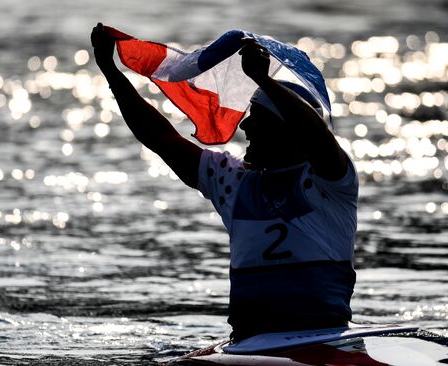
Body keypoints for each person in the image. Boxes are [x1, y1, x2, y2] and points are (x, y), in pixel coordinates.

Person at [91, 23, 358, 342]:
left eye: (258, 116)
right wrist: (111, 72)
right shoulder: (232, 181)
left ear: (288, 131)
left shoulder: (331, 181)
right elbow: (159, 137)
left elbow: (316, 136)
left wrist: (263, 80)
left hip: (324, 337)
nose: (245, 124)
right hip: (248, 341)